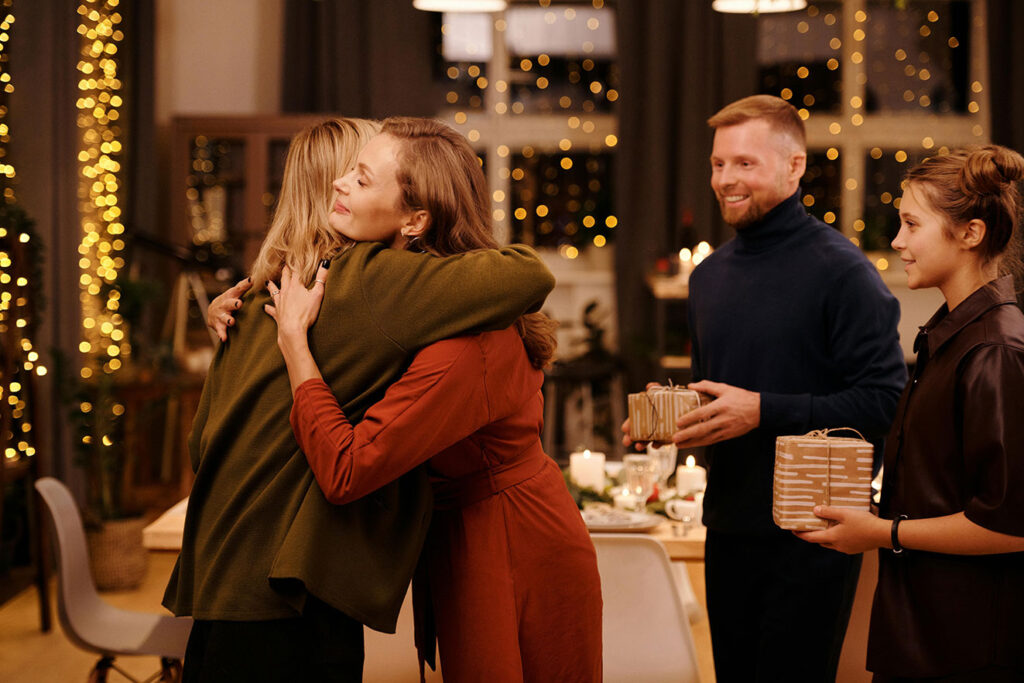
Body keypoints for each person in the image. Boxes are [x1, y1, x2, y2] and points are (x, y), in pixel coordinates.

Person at [163, 117, 556, 683]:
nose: (344, 184)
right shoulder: (373, 281)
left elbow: (200, 446)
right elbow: (526, 274)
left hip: (218, 576)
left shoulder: (255, 297)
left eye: (362, 176)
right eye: (352, 171)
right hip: (287, 588)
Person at [264, 116, 602, 682]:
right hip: (477, 527)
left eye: (361, 178)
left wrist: (295, 345)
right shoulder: (422, 301)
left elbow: (348, 469)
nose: (340, 184)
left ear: (415, 219)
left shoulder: (463, 345)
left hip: (509, 541)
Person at [625, 95, 907, 682]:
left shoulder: (844, 272)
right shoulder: (708, 278)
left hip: (815, 532)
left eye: (745, 163)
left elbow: (887, 401)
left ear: (795, 166)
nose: (725, 179)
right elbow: (727, 395)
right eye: (718, 164)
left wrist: (763, 411)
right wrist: (673, 414)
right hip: (728, 527)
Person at [798, 145, 1024, 682]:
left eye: (911, 224)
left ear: (970, 233)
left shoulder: (994, 350)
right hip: (926, 632)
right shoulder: (950, 336)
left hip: (968, 648)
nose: (897, 241)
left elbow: (1011, 526)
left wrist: (882, 531)